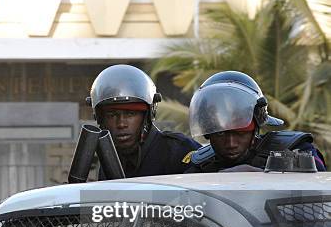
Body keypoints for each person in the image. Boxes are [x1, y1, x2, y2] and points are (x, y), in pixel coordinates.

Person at [185, 71, 327, 173]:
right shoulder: (200, 165)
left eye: (241, 133)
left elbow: (318, 176)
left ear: (255, 129)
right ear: (208, 133)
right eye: (221, 134)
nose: (231, 143)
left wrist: (261, 173)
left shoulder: (294, 148)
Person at [88, 64, 200, 178]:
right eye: (112, 115)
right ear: (100, 118)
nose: (121, 124)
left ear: (147, 115)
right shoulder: (107, 157)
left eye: (130, 114)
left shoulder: (179, 150)